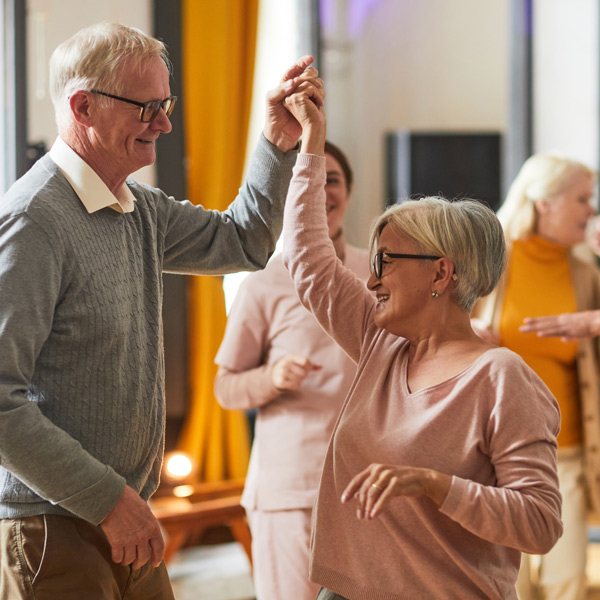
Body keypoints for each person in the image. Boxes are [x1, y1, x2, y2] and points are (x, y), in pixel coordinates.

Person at [0, 22, 324, 600]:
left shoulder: (139, 209)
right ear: (84, 107)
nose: (166, 124)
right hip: (55, 524)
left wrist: (276, 142)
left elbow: (244, 242)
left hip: (122, 512)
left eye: (166, 104)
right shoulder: (33, 221)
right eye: (148, 107)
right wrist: (107, 501)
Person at [277, 77, 562, 599]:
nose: (371, 278)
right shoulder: (379, 343)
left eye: (386, 261)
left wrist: (435, 485)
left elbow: (541, 522)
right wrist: (311, 141)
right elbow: (309, 260)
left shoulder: (501, 378)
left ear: (440, 274)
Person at [214, 141, 369, 600]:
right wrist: (273, 376)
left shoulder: (378, 274)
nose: (322, 190)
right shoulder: (263, 282)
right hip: (291, 489)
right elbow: (226, 387)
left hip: (369, 486)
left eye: (333, 179)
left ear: (350, 192)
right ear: (290, 194)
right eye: (309, 179)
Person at [472, 154, 599, 600]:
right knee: (508, 584)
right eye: (583, 199)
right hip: (495, 452)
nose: (592, 210)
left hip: (569, 454)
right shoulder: (487, 261)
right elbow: (430, 330)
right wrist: (465, 331)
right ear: (544, 201)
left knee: (568, 583)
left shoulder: (585, 271)